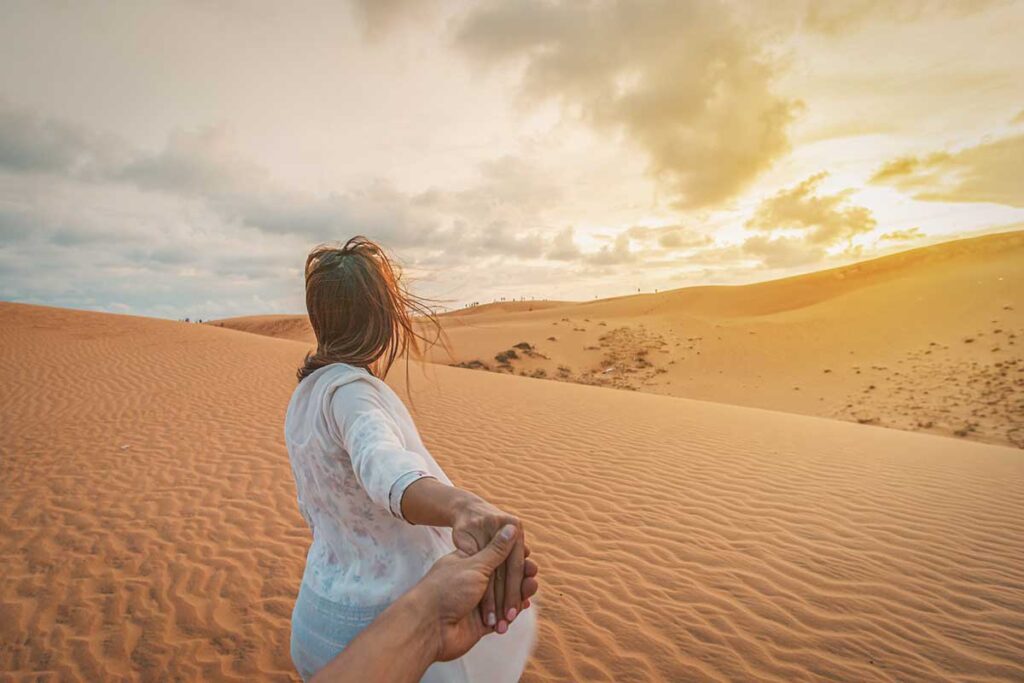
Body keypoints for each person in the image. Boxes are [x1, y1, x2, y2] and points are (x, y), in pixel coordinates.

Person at [285, 237, 537, 682]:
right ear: (382, 321)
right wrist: (463, 506)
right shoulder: (352, 394)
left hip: (317, 623)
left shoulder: (305, 397)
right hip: (388, 635)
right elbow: (382, 465)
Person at [311, 524, 539, 682]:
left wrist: (432, 623)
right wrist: (465, 507)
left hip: (317, 602)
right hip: (378, 622)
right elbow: (383, 466)